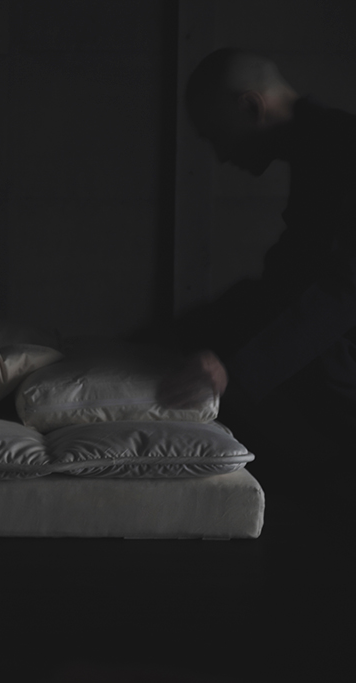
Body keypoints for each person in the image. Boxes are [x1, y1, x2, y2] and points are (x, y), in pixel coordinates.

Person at [152, 48, 356, 487]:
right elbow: (285, 282)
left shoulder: (343, 146)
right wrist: (172, 335)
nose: (223, 157)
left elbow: (345, 290)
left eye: (218, 137)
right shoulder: (319, 148)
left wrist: (234, 371)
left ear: (250, 106)